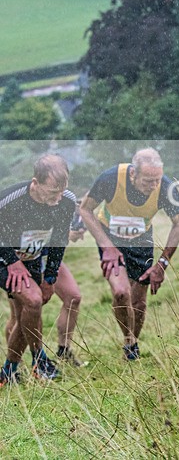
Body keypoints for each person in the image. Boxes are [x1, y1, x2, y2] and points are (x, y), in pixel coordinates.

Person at [80, 148, 179, 359]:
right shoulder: (110, 178)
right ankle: (129, 340)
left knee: (139, 300)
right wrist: (107, 246)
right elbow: (85, 209)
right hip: (110, 238)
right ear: (132, 174)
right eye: (147, 181)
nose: (153, 186)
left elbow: (178, 224)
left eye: (156, 180)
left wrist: (162, 264)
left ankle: (131, 346)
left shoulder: (165, 187)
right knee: (121, 292)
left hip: (141, 240)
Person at [0, 154, 77, 385]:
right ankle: (39, 360)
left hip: (32, 258)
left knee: (32, 309)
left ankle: (9, 371)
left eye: (62, 191)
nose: (58, 198)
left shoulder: (66, 201)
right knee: (32, 301)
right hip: (4, 258)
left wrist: (50, 278)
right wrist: (12, 262)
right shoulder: (11, 198)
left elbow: (60, 239)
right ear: (36, 182)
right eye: (53, 192)